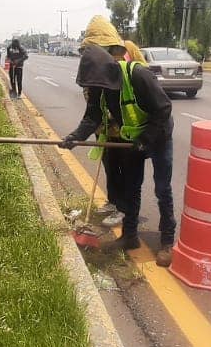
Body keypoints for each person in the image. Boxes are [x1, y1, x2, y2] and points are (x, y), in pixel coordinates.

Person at [59, 16, 175, 266]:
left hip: (158, 136)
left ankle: (167, 241)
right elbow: (92, 117)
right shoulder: (99, 82)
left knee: (162, 189)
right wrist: (74, 137)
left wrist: (146, 139)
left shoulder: (138, 75)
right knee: (132, 189)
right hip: (132, 139)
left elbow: (164, 109)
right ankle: (130, 236)